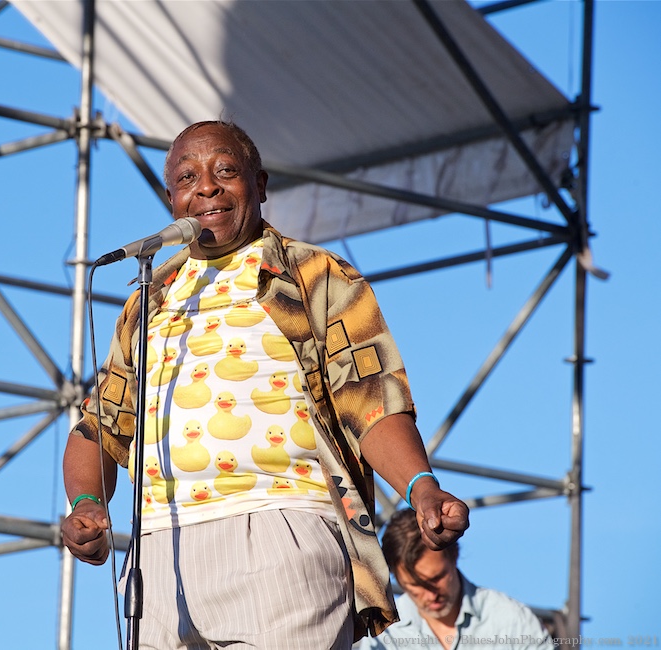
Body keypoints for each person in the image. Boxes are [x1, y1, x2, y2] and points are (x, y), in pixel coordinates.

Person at [60, 120, 470, 649]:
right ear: (171, 199)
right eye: (188, 177)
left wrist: (421, 486)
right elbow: (100, 427)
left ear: (260, 184)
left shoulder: (316, 275)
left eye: (225, 171)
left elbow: (371, 398)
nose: (206, 186)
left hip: (282, 530)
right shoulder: (149, 299)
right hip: (161, 548)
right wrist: (88, 502)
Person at [355, 509, 554, 650]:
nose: (431, 594)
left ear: (455, 557)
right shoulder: (386, 637)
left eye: (438, 578)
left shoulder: (511, 621)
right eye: (416, 585)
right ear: (396, 577)